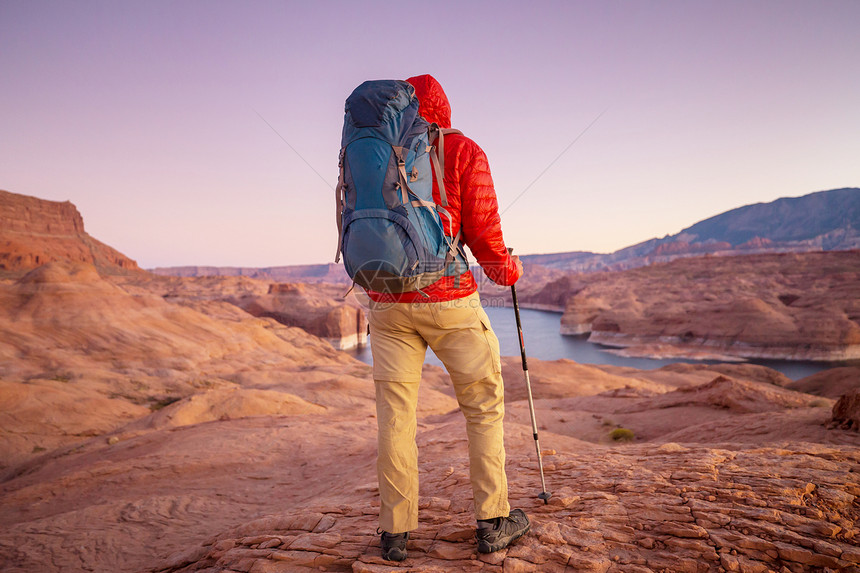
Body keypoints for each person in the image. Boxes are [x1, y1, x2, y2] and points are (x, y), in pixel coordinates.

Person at [364, 74, 530, 561]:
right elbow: (488, 244)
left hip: (387, 300)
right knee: (482, 408)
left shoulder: (374, 150)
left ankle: (394, 534)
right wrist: (510, 267)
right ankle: (492, 521)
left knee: (395, 416)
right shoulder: (462, 150)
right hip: (448, 297)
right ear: (445, 108)